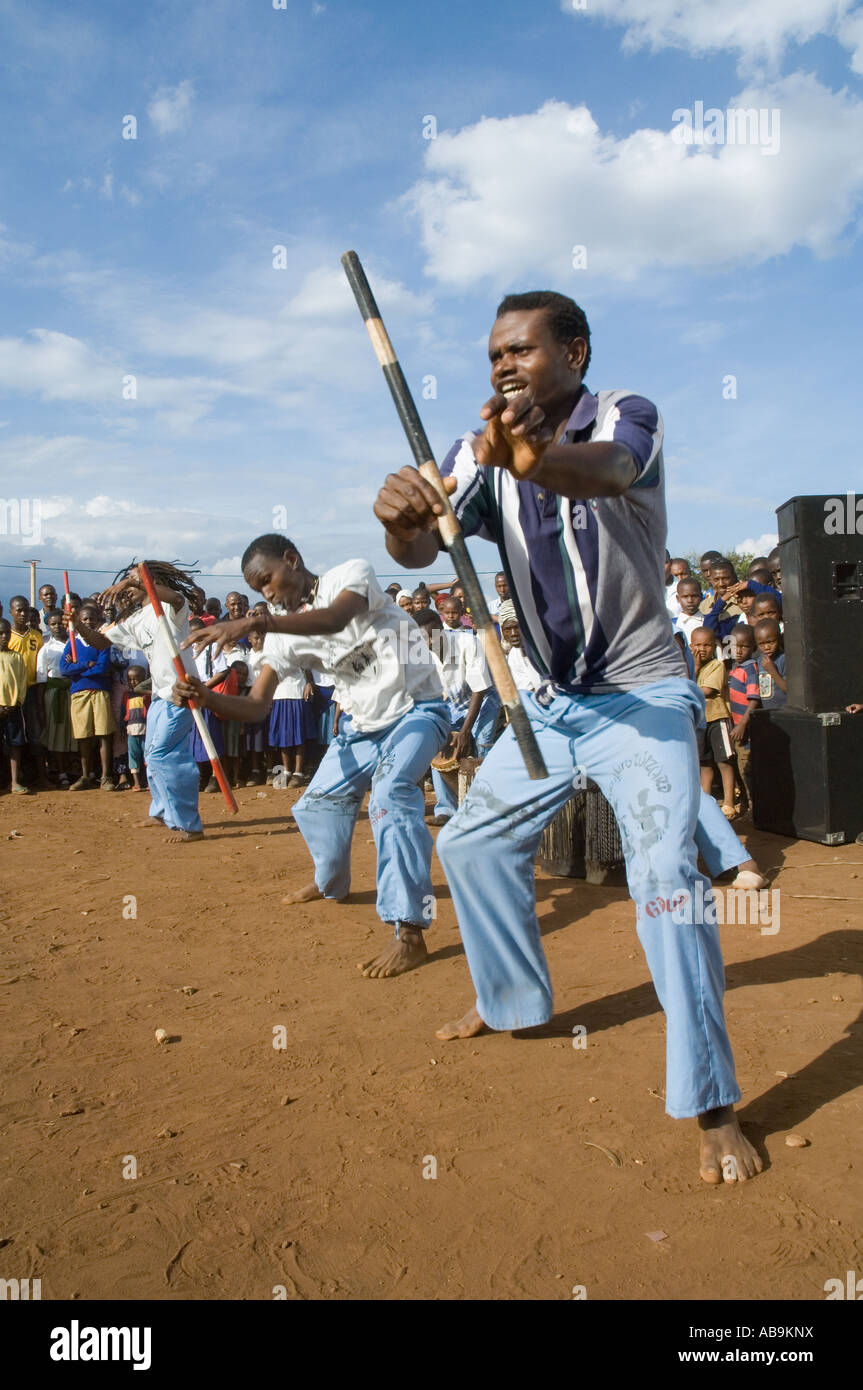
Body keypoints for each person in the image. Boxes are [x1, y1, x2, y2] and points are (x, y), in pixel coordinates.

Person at [373, 287, 763, 1184]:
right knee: (469, 843)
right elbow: (422, 551)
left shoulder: (625, 414)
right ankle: (511, 1001)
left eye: (520, 350)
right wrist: (400, 521)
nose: (503, 365)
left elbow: (609, 473)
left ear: (575, 353)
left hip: (644, 696)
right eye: (492, 356)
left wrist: (530, 459)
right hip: (547, 703)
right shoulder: (475, 455)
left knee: (666, 880)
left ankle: (711, 1105)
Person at [178, 534, 450, 978]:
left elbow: (333, 619)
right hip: (360, 729)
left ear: (292, 560)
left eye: (267, 579)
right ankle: (332, 883)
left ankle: (409, 932)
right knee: (315, 805)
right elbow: (257, 707)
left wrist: (252, 627)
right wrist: (205, 699)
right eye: (257, 588)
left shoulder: (350, 575)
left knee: (390, 796)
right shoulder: (282, 638)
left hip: (417, 709)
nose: (265, 593)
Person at [76, 562, 206, 842]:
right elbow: (100, 642)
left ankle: (189, 825)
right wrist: (77, 624)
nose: (130, 588)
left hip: (182, 692)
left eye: (137, 582)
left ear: (153, 581)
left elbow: (174, 597)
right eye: (130, 582)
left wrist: (131, 583)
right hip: (160, 695)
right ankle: (160, 812)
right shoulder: (135, 620)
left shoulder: (171, 609)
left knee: (163, 755)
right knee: (152, 754)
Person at [427, 594, 497, 826]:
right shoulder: (422, 651)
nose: (427, 643)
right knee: (440, 749)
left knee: (479, 747)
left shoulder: (469, 642)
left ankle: (483, 806)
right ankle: (446, 809)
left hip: (481, 700)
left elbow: (479, 690)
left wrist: (465, 731)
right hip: (450, 705)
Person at [62, 601, 116, 791]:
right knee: (83, 736)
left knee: (104, 734)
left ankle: (105, 777)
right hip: (79, 692)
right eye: (84, 619)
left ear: (98, 620)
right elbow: (64, 668)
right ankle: (85, 776)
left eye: (92, 619)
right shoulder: (72, 642)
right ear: (79, 621)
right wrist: (86, 665)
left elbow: (103, 667)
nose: (88, 622)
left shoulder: (102, 642)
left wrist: (77, 669)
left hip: (100, 690)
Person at [691, 627, 737, 818]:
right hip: (700, 721)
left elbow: (706, 690)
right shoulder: (689, 667)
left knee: (724, 761)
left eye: (707, 645)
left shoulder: (716, 665)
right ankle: (706, 803)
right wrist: (693, 667)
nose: (703, 649)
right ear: (691, 646)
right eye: (698, 645)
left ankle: (729, 803)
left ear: (714, 647)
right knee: (705, 763)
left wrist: (688, 684)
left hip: (717, 718)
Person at [7, 594, 47, 788]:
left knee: (35, 733)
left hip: (32, 690)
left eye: (25, 610)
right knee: (14, 735)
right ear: (11, 612)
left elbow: (40, 669)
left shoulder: (36, 636)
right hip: (10, 695)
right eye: (18, 610)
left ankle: (42, 777)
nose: (23, 614)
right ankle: (14, 779)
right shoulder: (6, 636)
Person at [36, 608, 74, 786]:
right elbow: (42, 679)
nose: (57, 626)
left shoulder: (75, 644)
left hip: (73, 692)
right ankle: (61, 771)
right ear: (48, 627)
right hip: (55, 694)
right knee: (57, 734)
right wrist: (42, 707)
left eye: (60, 623)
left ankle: (76, 769)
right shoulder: (46, 649)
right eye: (53, 624)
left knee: (74, 733)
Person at [727, 625, 759, 814]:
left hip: (745, 731)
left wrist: (741, 725)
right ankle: (747, 805)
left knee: (747, 768)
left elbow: (754, 700)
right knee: (740, 767)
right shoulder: (734, 667)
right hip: (737, 729)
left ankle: (755, 809)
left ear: (752, 648)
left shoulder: (750, 669)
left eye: (744, 647)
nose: (738, 651)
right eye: (734, 646)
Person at [0, 618, 30, 793]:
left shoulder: (16, 657)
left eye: (7, 633)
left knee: (15, 744)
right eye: (1, 633)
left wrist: (15, 703)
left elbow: (21, 682)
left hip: (12, 708)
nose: (4, 637)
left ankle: (15, 782)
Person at [699, 560, 744, 660]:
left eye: (725, 578)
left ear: (733, 577)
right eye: (716, 579)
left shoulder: (743, 602)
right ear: (710, 580)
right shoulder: (703, 606)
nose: (721, 583)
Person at [124, 664, 150, 792]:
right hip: (131, 731)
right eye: (130, 679)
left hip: (146, 730)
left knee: (147, 756)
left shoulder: (147, 695)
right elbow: (123, 714)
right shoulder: (127, 696)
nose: (132, 682)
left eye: (136, 679)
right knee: (133, 756)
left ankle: (149, 781)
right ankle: (137, 783)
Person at [753, 619, 787, 710]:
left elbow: (788, 690)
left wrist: (772, 670)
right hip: (766, 714)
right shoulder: (758, 661)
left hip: (783, 711)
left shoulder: (784, 659)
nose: (767, 647)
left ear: (779, 638)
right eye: (761, 644)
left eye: (771, 642)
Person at [672, 578, 704, 647]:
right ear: (678, 598)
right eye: (685, 597)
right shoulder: (673, 625)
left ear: (701, 597)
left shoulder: (708, 621)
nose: (690, 600)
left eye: (694, 596)